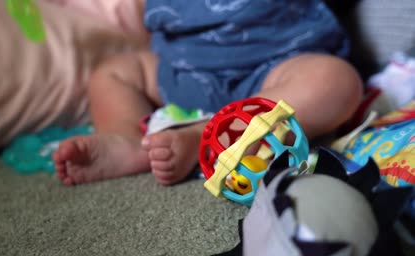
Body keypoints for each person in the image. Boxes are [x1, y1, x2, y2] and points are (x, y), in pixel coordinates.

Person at [52, 0, 363, 186]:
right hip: (183, 74)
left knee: (335, 83)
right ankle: (127, 139)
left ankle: (208, 136)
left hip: (274, 71)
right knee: (111, 73)